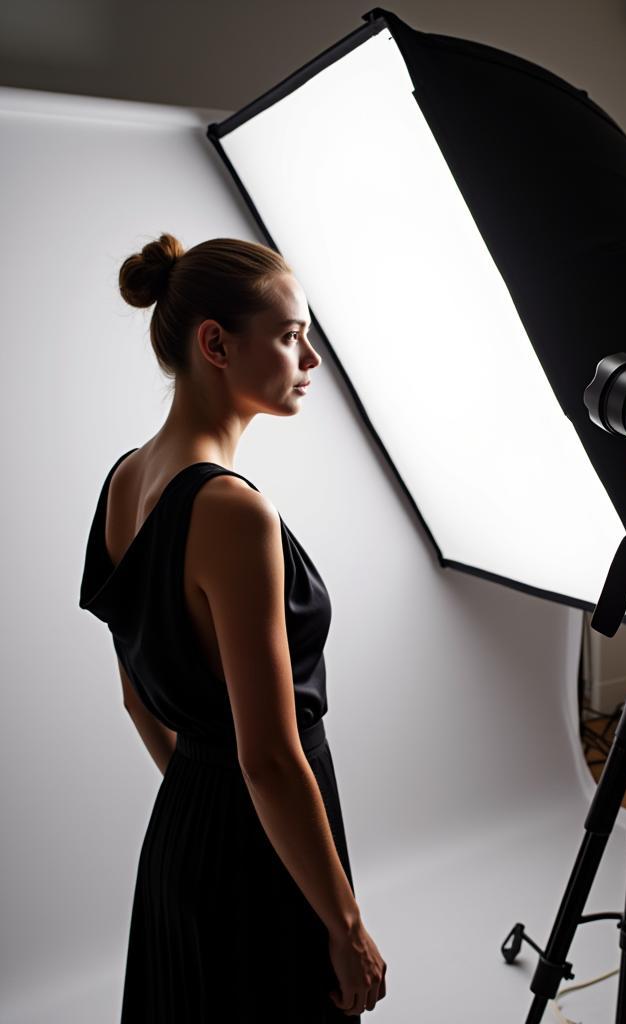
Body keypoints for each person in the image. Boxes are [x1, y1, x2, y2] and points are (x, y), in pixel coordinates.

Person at [79, 234, 386, 1021]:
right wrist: (347, 927)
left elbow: (135, 699)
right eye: (290, 337)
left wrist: (203, 805)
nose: (310, 360)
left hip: (183, 838)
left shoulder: (125, 479)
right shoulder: (233, 512)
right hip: (261, 855)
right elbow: (273, 760)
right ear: (215, 343)